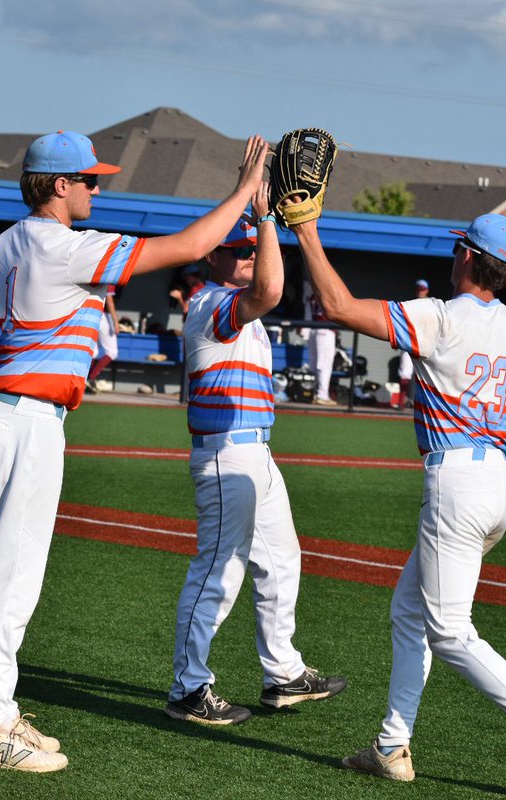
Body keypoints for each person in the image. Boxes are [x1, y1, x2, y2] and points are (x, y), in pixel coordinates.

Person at [290, 211, 506, 799]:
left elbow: (338, 306)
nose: (454, 256)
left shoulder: (440, 315)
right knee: (411, 614)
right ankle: (391, 746)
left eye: (460, 249)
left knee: (450, 631)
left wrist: (305, 230)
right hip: (499, 484)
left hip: (455, 482)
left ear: (471, 260)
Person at [0, 130, 269, 772]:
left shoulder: (1, 246)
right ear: (59, 185)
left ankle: (2, 711)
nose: (99, 187)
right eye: (90, 179)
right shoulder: (60, 245)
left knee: (2, 576)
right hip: (24, 419)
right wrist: (244, 193)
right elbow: (191, 247)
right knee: (10, 586)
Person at [166, 210, 347, 726]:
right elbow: (269, 289)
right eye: (237, 249)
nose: (248, 255)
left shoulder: (241, 309)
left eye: (251, 248)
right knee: (216, 573)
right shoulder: (211, 301)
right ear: (211, 255)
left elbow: (266, 288)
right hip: (225, 453)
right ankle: (188, 689)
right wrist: (268, 219)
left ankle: (283, 673)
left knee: (282, 559)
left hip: (256, 453)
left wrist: (264, 224)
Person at [394, 278, 430, 409]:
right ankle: (401, 402)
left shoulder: (432, 304)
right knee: (405, 373)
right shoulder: (409, 304)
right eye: (419, 289)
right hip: (409, 342)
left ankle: (423, 405)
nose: (420, 291)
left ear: (427, 290)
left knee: (425, 376)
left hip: (426, 344)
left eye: (423, 289)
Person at [303, 282, 336, 405]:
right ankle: (322, 395)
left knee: (315, 364)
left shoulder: (312, 294)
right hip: (325, 330)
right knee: (324, 364)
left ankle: (314, 393)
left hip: (314, 328)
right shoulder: (326, 293)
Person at [84, 284, 118, 394]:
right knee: (112, 352)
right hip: (102, 315)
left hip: (88, 314)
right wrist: (116, 321)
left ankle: (84, 380)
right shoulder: (110, 274)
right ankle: (91, 378)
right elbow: (109, 299)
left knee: (94, 351)